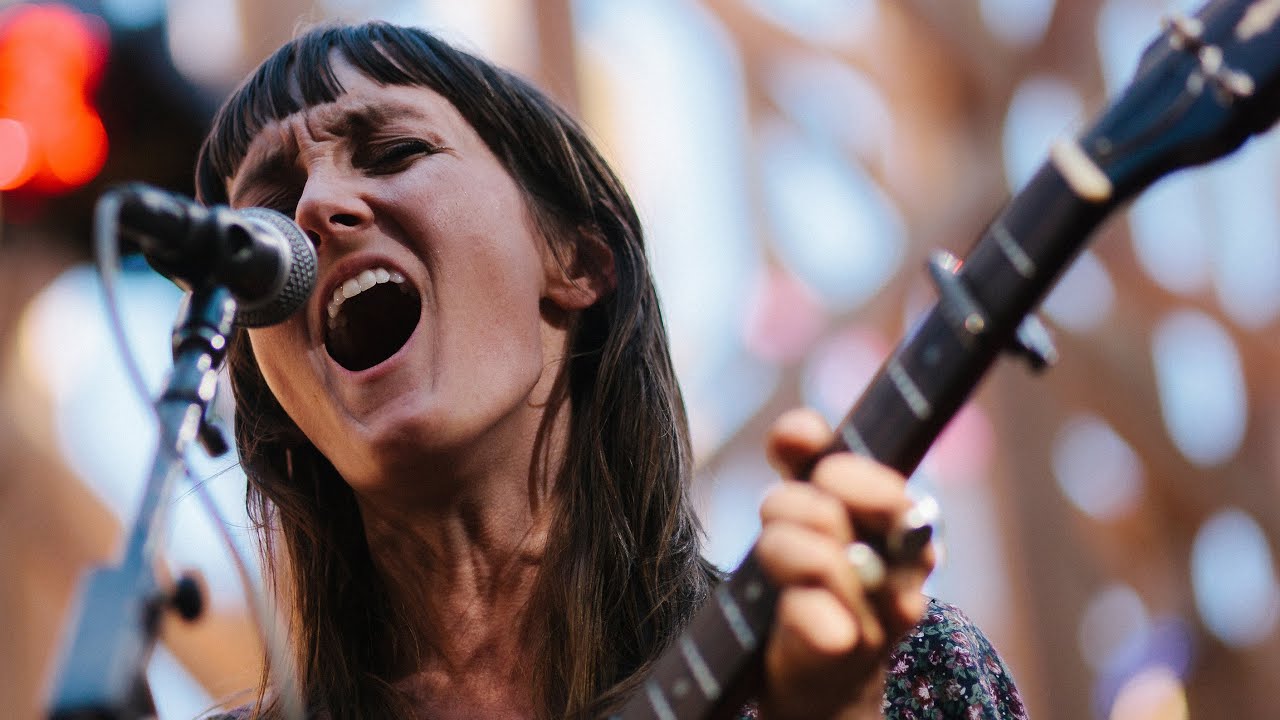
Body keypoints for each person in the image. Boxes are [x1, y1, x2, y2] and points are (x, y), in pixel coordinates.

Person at [195, 21, 1027, 720]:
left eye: (395, 150)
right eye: (268, 214)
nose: (311, 212)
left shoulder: (902, 673)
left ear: (580, 264)